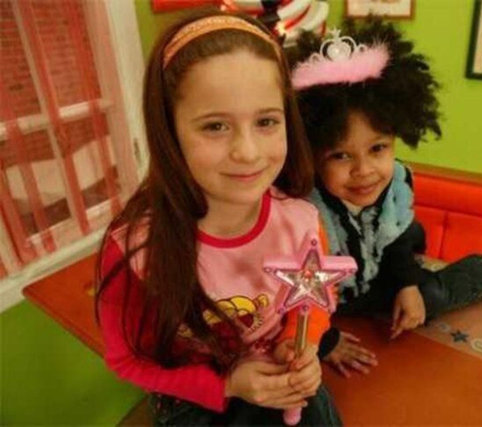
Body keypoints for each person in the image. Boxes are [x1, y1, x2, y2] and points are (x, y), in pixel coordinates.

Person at [95, 10, 341, 425]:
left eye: (266, 121)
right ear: (170, 131)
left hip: (278, 377)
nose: (247, 151)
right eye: (214, 127)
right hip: (193, 394)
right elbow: (127, 361)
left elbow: (316, 299)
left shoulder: (301, 222)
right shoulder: (135, 249)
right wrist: (227, 385)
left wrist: (302, 343)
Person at [287, 18, 482, 378]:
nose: (364, 170)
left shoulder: (395, 183)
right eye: (340, 156)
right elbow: (291, 292)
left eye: (378, 148)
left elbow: (398, 237)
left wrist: (407, 285)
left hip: (380, 278)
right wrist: (324, 342)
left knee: (427, 296)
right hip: (325, 299)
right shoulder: (301, 208)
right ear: (311, 154)